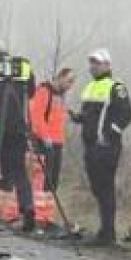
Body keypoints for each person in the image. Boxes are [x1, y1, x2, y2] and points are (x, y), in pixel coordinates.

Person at [0, 39, 37, 232]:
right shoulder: (23, 67)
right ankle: (27, 207)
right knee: (19, 170)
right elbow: (32, 92)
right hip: (18, 125)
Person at [74, 50, 131, 245]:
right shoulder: (90, 87)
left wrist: (110, 133)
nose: (93, 66)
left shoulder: (116, 87)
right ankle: (104, 230)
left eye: (97, 63)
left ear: (108, 65)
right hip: (90, 146)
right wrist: (79, 118)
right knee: (97, 188)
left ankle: (108, 233)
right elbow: (90, 114)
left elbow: (127, 114)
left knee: (105, 188)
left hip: (106, 147)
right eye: (91, 63)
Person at [30, 67, 75, 195]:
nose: (70, 85)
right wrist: (45, 138)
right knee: (42, 181)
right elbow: (37, 117)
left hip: (57, 143)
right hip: (44, 143)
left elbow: (58, 118)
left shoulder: (60, 97)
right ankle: (38, 211)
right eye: (69, 81)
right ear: (60, 77)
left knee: (53, 182)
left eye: (72, 82)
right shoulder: (44, 91)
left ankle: (47, 212)